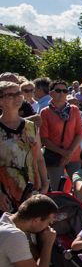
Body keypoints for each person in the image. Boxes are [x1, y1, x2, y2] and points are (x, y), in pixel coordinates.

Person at [0, 81, 47, 212]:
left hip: (32, 192)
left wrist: (45, 183)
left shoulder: (30, 126)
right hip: (6, 195)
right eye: (11, 94)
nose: (17, 97)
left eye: (18, 93)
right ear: (1, 101)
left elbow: (39, 158)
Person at [40, 80, 82, 190]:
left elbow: (79, 133)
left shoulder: (74, 110)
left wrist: (69, 153)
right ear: (51, 93)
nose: (62, 93)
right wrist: (64, 153)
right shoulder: (45, 112)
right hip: (55, 157)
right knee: (57, 188)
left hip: (74, 155)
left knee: (80, 188)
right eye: (58, 90)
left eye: (65, 91)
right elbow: (44, 139)